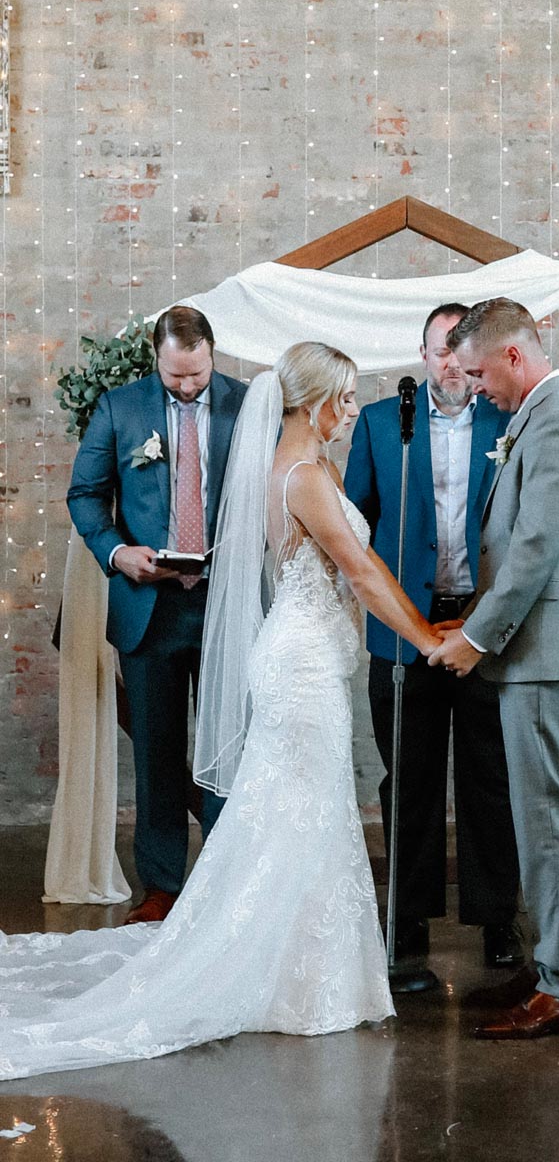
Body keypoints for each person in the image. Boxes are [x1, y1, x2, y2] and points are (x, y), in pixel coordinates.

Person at [0, 342, 441, 1080]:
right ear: (319, 401)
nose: (354, 411)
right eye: (348, 398)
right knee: (301, 816)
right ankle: (295, 983)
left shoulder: (301, 469)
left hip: (307, 658)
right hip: (300, 669)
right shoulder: (302, 477)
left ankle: (300, 974)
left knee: (299, 816)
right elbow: (360, 573)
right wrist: (425, 638)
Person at [430, 298, 559, 1040]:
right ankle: (552, 965)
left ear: (514, 357)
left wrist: (476, 639)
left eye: (480, 374)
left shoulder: (555, 422)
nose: (477, 389)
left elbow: (536, 551)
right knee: (536, 821)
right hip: (536, 650)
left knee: (547, 825)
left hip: (545, 653)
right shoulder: (539, 415)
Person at [344, 303, 521, 968]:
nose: (450, 362)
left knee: (489, 777)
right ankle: (407, 919)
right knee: (409, 779)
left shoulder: (508, 419)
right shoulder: (382, 424)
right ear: (422, 357)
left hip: (483, 629)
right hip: (404, 634)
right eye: (438, 350)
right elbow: (356, 526)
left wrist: (484, 618)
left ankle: (497, 920)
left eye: (459, 348)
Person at [66, 306, 248, 924]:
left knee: (227, 749)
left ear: (212, 352)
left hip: (227, 603)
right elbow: (85, 494)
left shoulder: (249, 405)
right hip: (149, 607)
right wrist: (118, 553)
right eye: (176, 378)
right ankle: (163, 887)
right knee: (156, 752)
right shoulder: (120, 409)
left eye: (197, 375)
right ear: (157, 358)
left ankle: (225, 882)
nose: (189, 387)